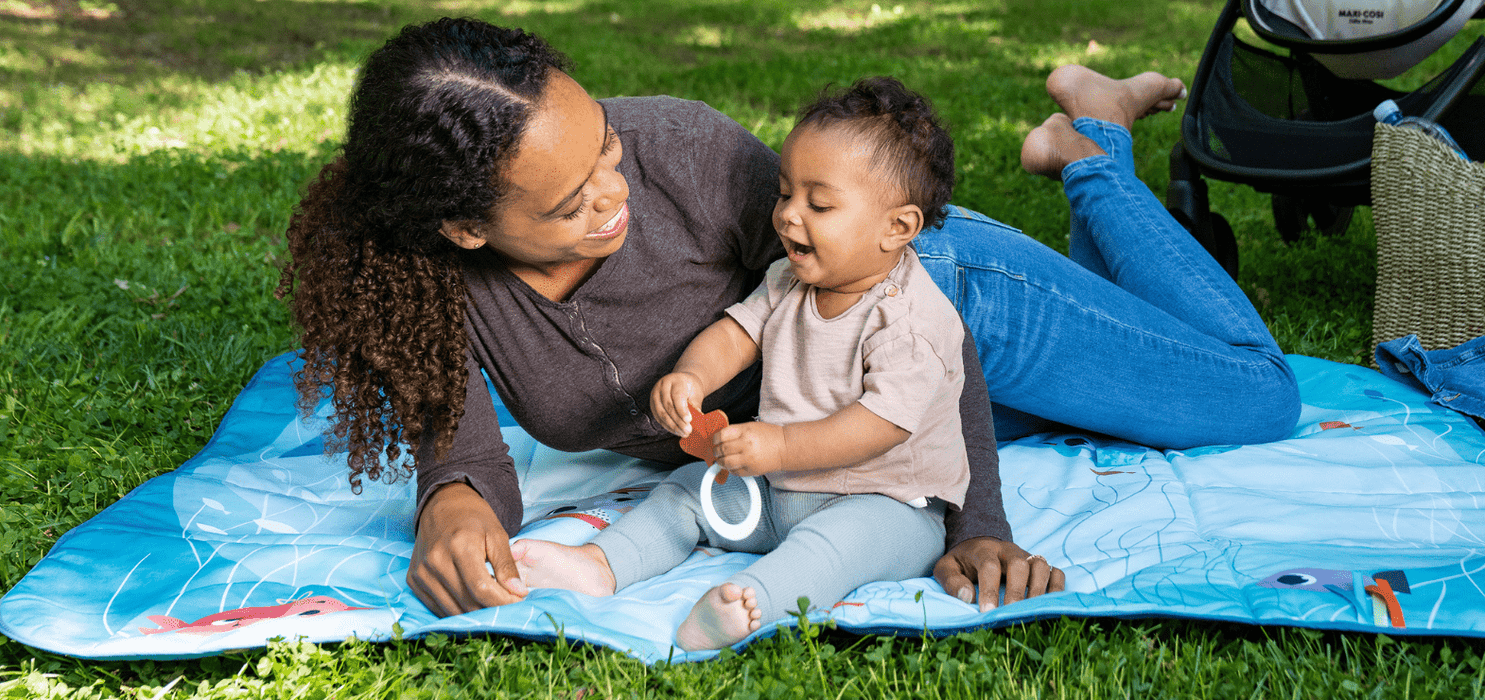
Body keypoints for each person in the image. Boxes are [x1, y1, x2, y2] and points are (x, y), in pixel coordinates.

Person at [280, 18, 1300, 620]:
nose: (613, 185)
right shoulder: (424, 290)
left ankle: (1093, 151)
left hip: (951, 297)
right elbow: (461, 450)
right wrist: (451, 506)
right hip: (842, 422)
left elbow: (910, 329)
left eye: (600, 144)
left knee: (1256, 395)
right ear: (464, 228)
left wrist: (973, 523)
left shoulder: (684, 152)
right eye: (569, 201)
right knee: (1116, 405)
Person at [509, 77, 972, 650]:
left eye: (819, 204)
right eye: (785, 194)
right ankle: (602, 565)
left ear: (897, 228)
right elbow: (735, 333)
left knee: (829, 551)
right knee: (685, 495)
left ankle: (750, 602)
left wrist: (778, 447)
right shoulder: (789, 280)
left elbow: (881, 426)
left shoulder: (912, 322)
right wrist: (691, 376)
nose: (788, 216)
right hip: (777, 490)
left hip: (888, 506)